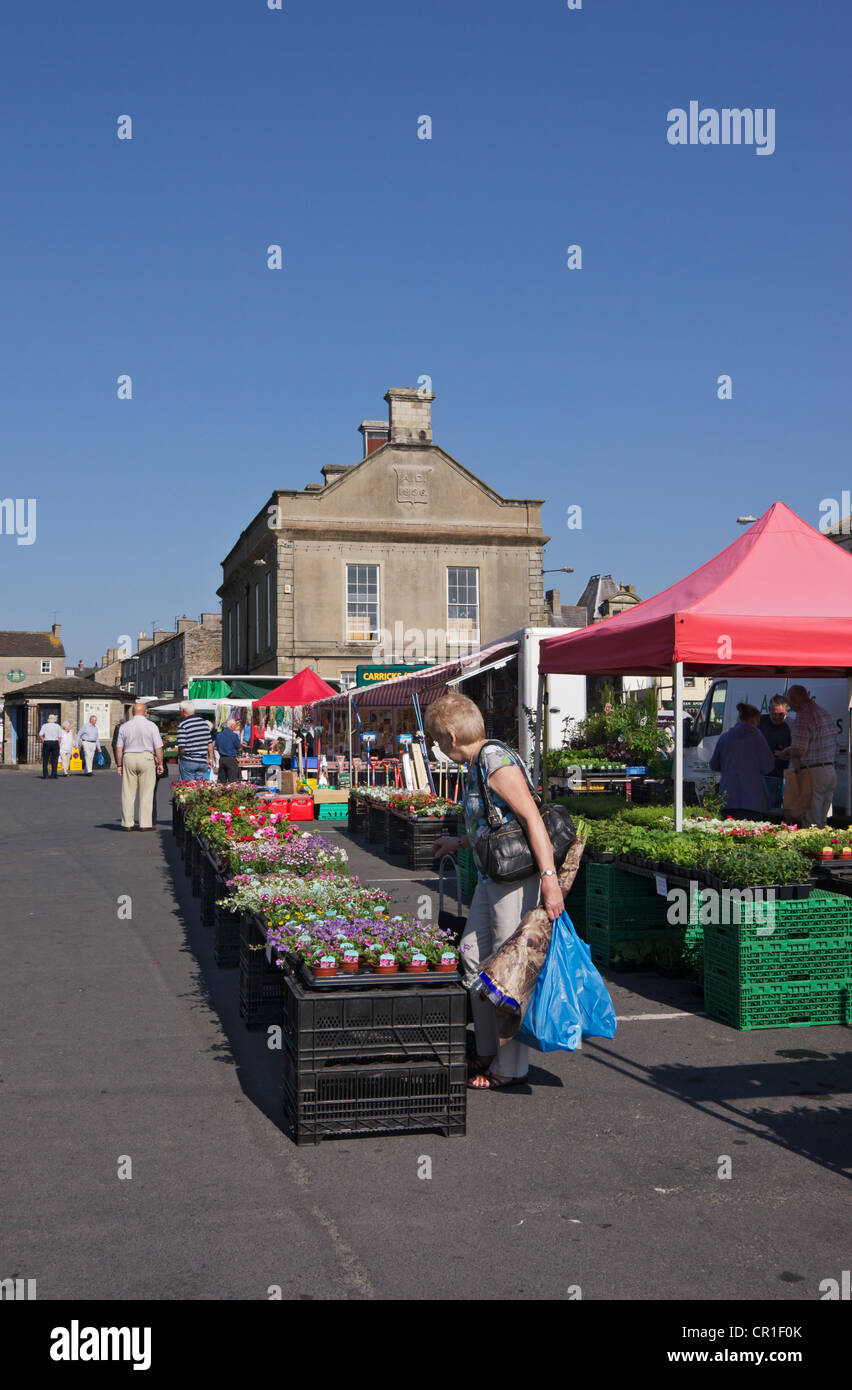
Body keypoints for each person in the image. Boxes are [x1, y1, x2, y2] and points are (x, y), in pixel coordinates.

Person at [426, 691, 564, 1092]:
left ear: (451, 736)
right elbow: (493, 825)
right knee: (473, 958)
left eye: (437, 741)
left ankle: (511, 1066)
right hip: (492, 881)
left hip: (516, 882)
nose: (438, 748)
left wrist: (550, 880)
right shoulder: (476, 764)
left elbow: (531, 819)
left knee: (508, 976)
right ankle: (487, 1050)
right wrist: (457, 843)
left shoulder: (494, 760)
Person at [784, 685, 838, 827]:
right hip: (830, 770)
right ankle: (824, 846)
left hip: (813, 772)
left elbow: (800, 750)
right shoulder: (823, 712)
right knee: (822, 820)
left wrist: (786, 753)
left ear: (795, 699)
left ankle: (813, 849)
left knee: (811, 821)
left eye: (789, 702)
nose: (790, 707)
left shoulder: (804, 715)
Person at [709, 702, 775, 819]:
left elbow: (714, 764)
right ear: (755, 719)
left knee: (729, 835)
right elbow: (768, 767)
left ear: (739, 717)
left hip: (728, 798)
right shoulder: (758, 737)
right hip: (754, 800)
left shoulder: (725, 737)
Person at [115, 701, 164, 830]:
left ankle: (128, 823)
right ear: (145, 712)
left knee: (128, 792)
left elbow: (119, 748)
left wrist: (119, 765)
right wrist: (160, 763)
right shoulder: (152, 726)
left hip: (129, 757)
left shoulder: (124, 727)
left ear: (132, 712)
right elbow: (158, 747)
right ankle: (145, 823)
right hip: (146, 757)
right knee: (146, 792)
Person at [759, 696, 792, 812]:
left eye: (780, 714)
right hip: (760, 774)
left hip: (778, 776)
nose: (777, 717)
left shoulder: (790, 726)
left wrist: (787, 754)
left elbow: (799, 750)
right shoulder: (760, 722)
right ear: (769, 710)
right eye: (774, 714)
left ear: (786, 711)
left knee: (774, 809)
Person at [176, 701, 214, 782]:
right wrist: (210, 758)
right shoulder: (203, 723)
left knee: (188, 788)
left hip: (189, 761)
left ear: (183, 711)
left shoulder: (183, 725)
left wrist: (180, 756)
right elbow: (209, 743)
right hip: (202, 761)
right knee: (200, 788)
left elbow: (182, 747)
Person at [214, 718, 242, 784]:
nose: (235, 727)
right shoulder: (234, 735)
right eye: (235, 725)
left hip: (222, 759)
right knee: (232, 781)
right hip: (231, 759)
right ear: (231, 726)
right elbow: (239, 748)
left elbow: (215, 748)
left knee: (222, 781)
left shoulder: (219, 735)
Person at [38, 713, 62, 778]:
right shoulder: (57, 726)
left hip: (47, 742)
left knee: (45, 759)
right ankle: (54, 774)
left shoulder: (44, 725)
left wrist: (43, 741)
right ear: (54, 720)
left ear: (48, 719)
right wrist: (58, 745)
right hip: (55, 742)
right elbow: (60, 737)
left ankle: (45, 775)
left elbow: (40, 734)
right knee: (54, 759)